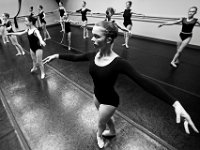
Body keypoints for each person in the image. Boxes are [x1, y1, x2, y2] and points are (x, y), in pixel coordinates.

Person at [43, 21, 199, 148]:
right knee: (106, 119)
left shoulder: (119, 63)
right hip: (96, 95)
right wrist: (57, 55)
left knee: (100, 122)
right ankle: (111, 131)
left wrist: (175, 103)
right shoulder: (92, 55)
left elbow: (144, 82)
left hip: (110, 101)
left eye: (96, 37)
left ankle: (100, 137)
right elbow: (76, 57)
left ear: (109, 40)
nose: (92, 39)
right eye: (92, 36)